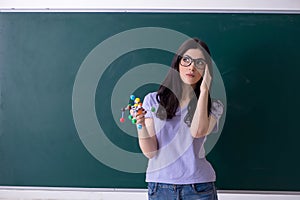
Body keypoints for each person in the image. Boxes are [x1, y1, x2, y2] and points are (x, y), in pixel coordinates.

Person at [135, 38, 224, 200]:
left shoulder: (214, 106)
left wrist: (204, 91)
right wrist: (140, 124)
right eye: (187, 60)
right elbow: (150, 152)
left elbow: (198, 131)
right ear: (177, 63)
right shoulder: (153, 101)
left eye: (199, 63)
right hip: (160, 187)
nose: (191, 67)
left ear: (206, 70)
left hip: (199, 188)